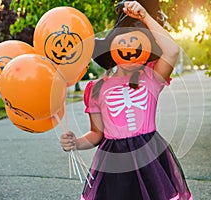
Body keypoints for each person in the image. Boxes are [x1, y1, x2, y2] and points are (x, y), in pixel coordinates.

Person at [60, 1, 192, 199]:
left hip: (150, 158)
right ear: (110, 49)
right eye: (123, 42)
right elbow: (97, 134)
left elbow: (172, 51)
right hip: (113, 161)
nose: (130, 48)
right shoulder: (97, 88)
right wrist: (76, 143)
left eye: (137, 42)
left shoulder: (151, 78)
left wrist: (145, 17)